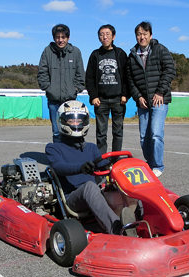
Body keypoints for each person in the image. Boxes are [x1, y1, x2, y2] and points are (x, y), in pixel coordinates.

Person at [45, 100, 136, 236]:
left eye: (79, 121)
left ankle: (142, 219)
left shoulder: (91, 147)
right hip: (72, 198)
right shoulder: (54, 148)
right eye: (71, 121)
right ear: (62, 122)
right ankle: (117, 229)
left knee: (127, 180)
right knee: (89, 186)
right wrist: (80, 168)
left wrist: (117, 163)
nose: (76, 124)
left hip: (96, 194)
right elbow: (59, 167)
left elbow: (102, 165)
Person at [128, 21, 176, 178]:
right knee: (144, 136)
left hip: (159, 100)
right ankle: (150, 163)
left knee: (156, 134)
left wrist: (160, 92)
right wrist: (138, 96)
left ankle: (158, 166)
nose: (142, 37)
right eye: (139, 34)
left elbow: (170, 70)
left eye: (144, 34)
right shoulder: (133, 55)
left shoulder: (160, 50)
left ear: (150, 35)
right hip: (143, 102)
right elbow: (130, 80)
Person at [85, 24, 130, 154]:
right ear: (99, 37)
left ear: (113, 36)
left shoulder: (120, 54)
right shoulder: (95, 55)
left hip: (118, 100)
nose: (105, 37)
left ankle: (116, 159)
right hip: (101, 100)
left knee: (118, 132)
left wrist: (125, 94)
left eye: (107, 34)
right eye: (101, 34)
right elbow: (89, 77)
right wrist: (93, 96)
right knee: (101, 133)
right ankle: (102, 160)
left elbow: (127, 76)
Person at [37, 24, 85, 143]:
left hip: (70, 100)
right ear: (54, 38)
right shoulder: (47, 51)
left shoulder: (75, 52)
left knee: (72, 129)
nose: (60, 40)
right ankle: (58, 157)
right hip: (53, 99)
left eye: (63, 37)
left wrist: (76, 89)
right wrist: (48, 88)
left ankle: (71, 155)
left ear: (68, 38)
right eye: (58, 37)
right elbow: (42, 72)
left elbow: (80, 74)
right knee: (57, 130)